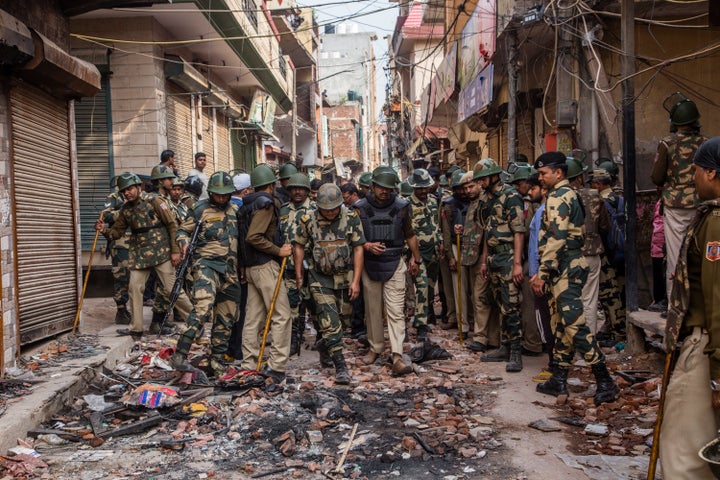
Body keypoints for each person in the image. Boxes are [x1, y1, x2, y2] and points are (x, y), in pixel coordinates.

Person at [530, 152, 619, 405]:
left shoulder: (560, 197)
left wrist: (542, 273)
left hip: (565, 267)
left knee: (574, 325)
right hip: (564, 267)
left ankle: (605, 380)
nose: (540, 178)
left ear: (558, 173)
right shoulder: (565, 195)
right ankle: (558, 378)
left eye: (543, 173)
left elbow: (556, 239)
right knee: (560, 324)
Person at [659, 136, 720, 479]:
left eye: (695, 170)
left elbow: (717, 298)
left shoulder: (715, 222)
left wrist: (717, 378)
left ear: (711, 173)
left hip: (707, 346)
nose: (692, 177)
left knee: (683, 453)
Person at [95, 172, 193, 338]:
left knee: (172, 289)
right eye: (124, 191)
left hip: (161, 252)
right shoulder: (126, 210)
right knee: (134, 289)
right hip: (140, 255)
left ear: (138, 187)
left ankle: (194, 322)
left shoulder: (155, 201)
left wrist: (175, 251)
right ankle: (136, 329)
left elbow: (172, 225)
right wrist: (104, 230)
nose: (127, 193)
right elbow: (117, 233)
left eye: (130, 189)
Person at [294, 183, 366, 384]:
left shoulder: (351, 218)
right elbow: (298, 246)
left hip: (345, 276)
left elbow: (359, 248)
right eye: (326, 210)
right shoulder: (308, 219)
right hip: (320, 278)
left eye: (334, 209)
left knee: (344, 320)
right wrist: (299, 274)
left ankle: (325, 346)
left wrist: (356, 281)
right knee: (330, 320)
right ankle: (340, 365)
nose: (331, 213)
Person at [171, 172, 241, 377]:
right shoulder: (199, 209)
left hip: (230, 269)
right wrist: (183, 243)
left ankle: (217, 361)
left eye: (224, 195)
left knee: (226, 316)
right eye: (217, 195)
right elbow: (182, 231)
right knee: (202, 307)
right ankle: (180, 354)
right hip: (206, 265)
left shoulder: (236, 209)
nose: (221, 198)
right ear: (210, 192)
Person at [356, 166, 422, 376]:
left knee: (395, 311)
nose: (384, 191)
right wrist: (367, 246)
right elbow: (354, 238)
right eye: (380, 187)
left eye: (388, 188)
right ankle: (375, 348)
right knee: (372, 310)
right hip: (369, 263)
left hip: (395, 261)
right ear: (372, 186)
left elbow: (410, 234)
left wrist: (416, 258)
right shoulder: (359, 208)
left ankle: (396, 354)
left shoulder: (402, 207)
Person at [651, 92, 708, 303]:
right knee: (702, 253)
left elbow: (656, 177)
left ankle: (676, 304)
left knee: (675, 255)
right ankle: (701, 302)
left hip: (676, 205)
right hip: (703, 203)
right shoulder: (707, 142)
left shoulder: (667, 143)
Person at [239, 164, 293, 384]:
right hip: (264, 266)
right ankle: (277, 366)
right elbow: (254, 237)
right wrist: (278, 250)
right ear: (271, 185)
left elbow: (242, 240)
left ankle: (249, 365)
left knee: (253, 318)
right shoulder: (266, 204)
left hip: (251, 267)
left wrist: (243, 267)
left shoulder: (245, 205)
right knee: (282, 314)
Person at [475, 158, 525, 372]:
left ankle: (516, 351)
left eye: (482, 179)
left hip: (508, 258)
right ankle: (505, 346)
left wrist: (517, 264)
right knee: (499, 304)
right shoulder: (484, 198)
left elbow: (519, 232)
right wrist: (485, 260)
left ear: (494, 176)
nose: (480, 183)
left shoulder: (511, 196)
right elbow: (487, 231)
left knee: (511, 306)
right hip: (494, 258)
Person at [567, 158, 610, 334]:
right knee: (589, 300)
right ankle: (588, 344)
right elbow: (605, 226)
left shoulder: (558, 197)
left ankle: (572, 346)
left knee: (569, 301)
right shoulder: (594, 195)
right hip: (591, 253)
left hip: (568, 255)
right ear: (579, 177)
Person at [279, 173, 314, 357]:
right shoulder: (283, 211)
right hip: (289, 267)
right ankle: (294, 339)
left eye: (301, 188)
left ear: (307, 190)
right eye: (294, 189)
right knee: (291, 305)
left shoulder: (316, 209)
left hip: (313, 266)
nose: (298, 192)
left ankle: (322, 339)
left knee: (314, 304)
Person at [406, 169, 442, 341]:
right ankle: (420, 325)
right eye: (419, 188)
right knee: (420, 286)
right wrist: (412, 256)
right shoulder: (407, 205)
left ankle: (427, 316)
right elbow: (407, 233)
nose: (423, 191)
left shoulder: (434, 201)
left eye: (425, 187)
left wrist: (440, 242)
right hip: (417, 253)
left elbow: (436, 225)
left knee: (429, 286)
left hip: (433, 251)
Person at [102, 182, 132, 325]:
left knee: (133, 278)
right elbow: (105, 216)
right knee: (121, 276)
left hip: (134, 243)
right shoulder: (114, 197)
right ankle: (121, 310)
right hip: (119, 243)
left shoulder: (135, 198)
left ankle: (127, 309)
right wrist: (124, 212)